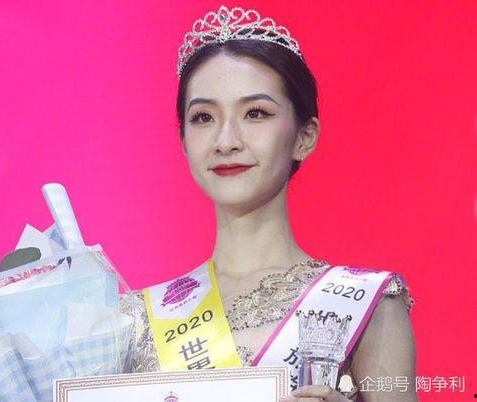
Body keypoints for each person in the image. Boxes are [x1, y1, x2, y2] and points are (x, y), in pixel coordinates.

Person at [121, 6, 417, 401]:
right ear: (184, 142)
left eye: (255, 113)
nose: (226, 141)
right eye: (204, 117)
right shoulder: (132, 321)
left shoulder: (367, 303)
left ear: (304, 137)